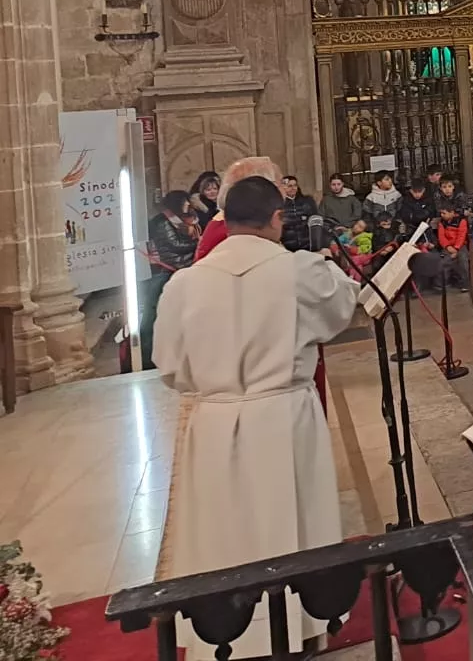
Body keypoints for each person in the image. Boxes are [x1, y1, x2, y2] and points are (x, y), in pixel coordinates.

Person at [154, 176, 359, 661]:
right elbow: (341, 312)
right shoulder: (300, 271)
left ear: (221, 219)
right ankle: (303, 623)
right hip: (283, 415)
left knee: (224, 530)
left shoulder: (185, 282)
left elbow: (169, 365)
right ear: (276, 218)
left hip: (215, 419)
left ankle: (226, 633)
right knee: (293, 518)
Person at [143, 191, 198, 370]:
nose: (188, 205)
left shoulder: (186, 220)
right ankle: (148, 356)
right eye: (185, 202)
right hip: (165, 271)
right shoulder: (162, 222)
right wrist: (198, 245)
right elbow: (173, 245)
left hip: (183, 268)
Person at [278, 175, 319, 252]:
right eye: (289, 186)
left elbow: (315, 221)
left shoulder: (307, 202)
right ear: (283, 187)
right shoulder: (279, 204)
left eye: (295, 185)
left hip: (307, 245)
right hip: (288, 246)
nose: (293, 188)